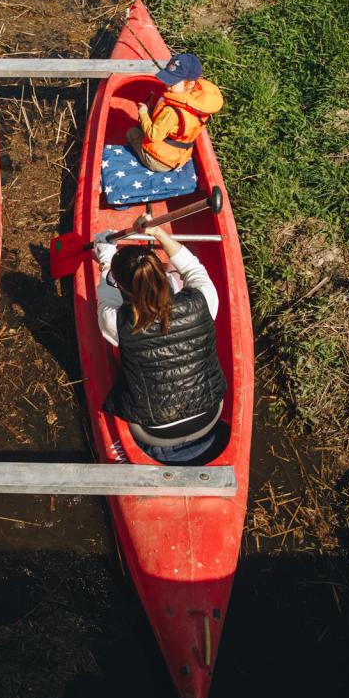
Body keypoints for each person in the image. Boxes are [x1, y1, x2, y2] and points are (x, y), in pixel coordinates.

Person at [94, 224, 226, 465]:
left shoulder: (116, 322)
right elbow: (192, 268)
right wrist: (159, 234)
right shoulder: (203, 299)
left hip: (154, 430)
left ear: (121, 285)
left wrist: (106, 259)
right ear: (161, 274)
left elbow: (107, 296)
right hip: (210, 413)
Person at [125, 52, 223, 173]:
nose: (167, 86)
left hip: (159, 161)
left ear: (190, 84)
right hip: (180, 157)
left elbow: (153, 136)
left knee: (132, 132)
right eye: (168, 80)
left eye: (173, 82)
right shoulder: (199, 102)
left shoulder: (171, 112)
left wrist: (144, 113)